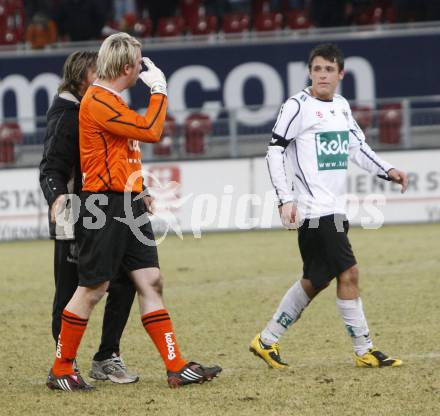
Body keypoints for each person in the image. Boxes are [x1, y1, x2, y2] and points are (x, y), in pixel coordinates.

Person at [46, 32, 222, 392]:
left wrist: (139, 189)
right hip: (103, 205)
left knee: (150, 279)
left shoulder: (110, 100)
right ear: (127, 66)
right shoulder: (98, 100)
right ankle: (61, 368)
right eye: (139, 61)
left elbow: (122, 153)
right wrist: (160, 91)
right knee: (93, 288)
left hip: (127, 204)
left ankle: (176, 366)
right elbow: (151, 130)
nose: (143, 67)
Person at [250, 43, 408, 369]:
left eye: (329, 69)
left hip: (335, 210)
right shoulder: (297, 106)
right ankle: (364, 348)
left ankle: (266, 340)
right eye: (317, 68)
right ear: (309, 72)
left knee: (316, 279)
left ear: (340, 74)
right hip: (314, 210)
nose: (322, 75)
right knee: (349, 272)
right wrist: (285, 199)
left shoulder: (341, 106)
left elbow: (358, 148)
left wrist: (387, 170)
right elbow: (274, 151)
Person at [40, 50, 139, 384]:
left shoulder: (93, 108)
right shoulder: (67, 114)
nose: (105, 75)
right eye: (98, 71)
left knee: (125, 279)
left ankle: (107, 356)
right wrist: (56, 200)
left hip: (104, 209)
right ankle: (65, 365)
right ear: (81, 76)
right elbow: (51, 166)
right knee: (71, 289)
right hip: (74, 212)